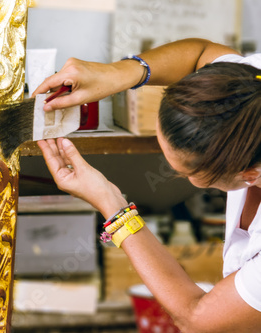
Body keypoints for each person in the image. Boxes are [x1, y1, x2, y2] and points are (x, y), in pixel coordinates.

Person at [33, 38, 261, 332]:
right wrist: (117, 74)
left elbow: (197, 319)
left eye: (183, 170)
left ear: (250, 174)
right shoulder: (252, 85)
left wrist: (112, 204)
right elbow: (201, 55)